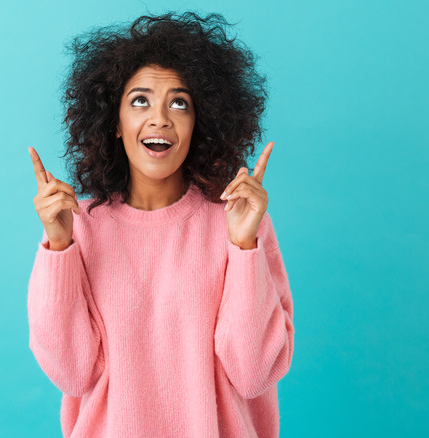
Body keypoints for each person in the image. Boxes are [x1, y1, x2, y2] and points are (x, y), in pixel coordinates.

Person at [27, 12, 294, 437]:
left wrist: (244, 249)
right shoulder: (79, 226)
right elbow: (71, 373)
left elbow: (253, 373)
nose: (160, 119)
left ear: (199, 123)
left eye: (179, 103)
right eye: (140, 101)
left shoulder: (241, 222)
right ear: (114, 123)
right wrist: (60, 248)